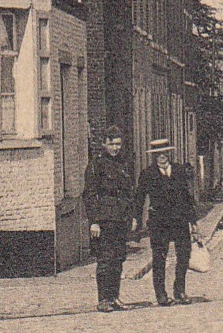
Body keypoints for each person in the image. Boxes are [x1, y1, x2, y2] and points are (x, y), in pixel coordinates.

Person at [135, 140, 200, 306]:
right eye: (158, 154)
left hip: (180, 220)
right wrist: (136, 220)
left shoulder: (179, 171)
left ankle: (180, 290)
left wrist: (193, 221)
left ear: (169, 154)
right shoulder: (148, 174)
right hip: (159, 222)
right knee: (159, 258)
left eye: (164, 153)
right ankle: (161, 295)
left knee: (184, 255)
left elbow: (187, 197)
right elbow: (139, 199)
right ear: (154, 156)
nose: (162, 156)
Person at [82, 127, 135, 313]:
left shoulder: (124, 163)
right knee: (105, 259)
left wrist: (132, 216)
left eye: (118, 144)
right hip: (104, 220)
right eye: (111, 143)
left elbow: (130, 192)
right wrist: (94, 221)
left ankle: (115, 297)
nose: (115, 147)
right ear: (104, 143)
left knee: (118, 259)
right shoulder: (96, 165)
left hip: (120, 218)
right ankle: (103, 299)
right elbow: (89, 195)